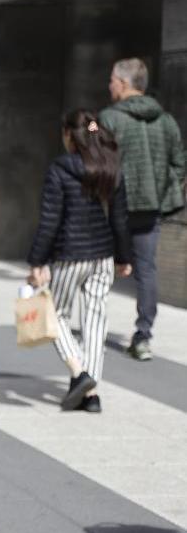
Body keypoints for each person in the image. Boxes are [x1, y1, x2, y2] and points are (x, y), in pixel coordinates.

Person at [27, 110, 132, 413]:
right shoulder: (111, 168)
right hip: (102, 257)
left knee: (54, 314)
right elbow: (120, 219)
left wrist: (37, 261)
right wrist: (124, 257)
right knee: (95, 322)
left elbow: (50, 220)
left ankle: (79, 372)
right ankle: (92, 394)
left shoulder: (60, 169)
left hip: (69, 256)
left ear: (69, 136)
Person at [98, 58, 186, 361]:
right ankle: (143, 335)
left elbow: (94, 148)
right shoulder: (166, 120)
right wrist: (164, 188)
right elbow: (180, 161)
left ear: (123, 84)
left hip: (114, 206)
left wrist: (88, 124)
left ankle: (92, 325)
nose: (108, 85)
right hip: (151, 208)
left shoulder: (107, 118)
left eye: (111, 80)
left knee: (99, 266)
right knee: (146, 271)